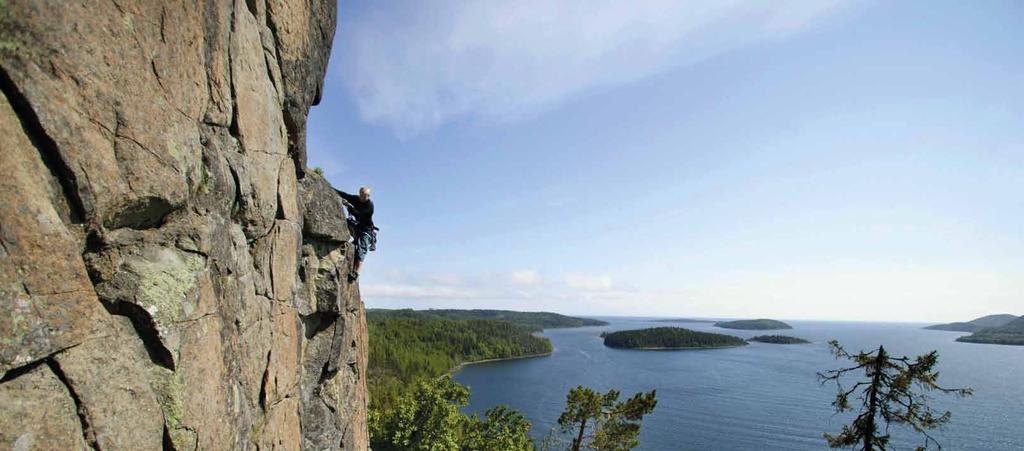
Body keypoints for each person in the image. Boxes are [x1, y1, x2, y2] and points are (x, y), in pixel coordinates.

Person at [335, 186, 375, 281]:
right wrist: (331, 189)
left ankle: (356, 273)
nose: (361, 197)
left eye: (364, 196)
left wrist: (348, 206)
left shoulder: (369, 207)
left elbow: (359, 215)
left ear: (368, 196)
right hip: (357, 226)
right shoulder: (356, 199)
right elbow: (345, 195)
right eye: (361, 194)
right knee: (344, 223)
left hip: (366, 230)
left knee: (361, 250)